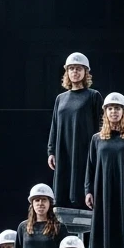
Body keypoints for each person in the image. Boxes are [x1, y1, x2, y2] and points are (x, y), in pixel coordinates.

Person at [85, 92, 124, 248]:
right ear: (105, 112)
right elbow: (90, 167)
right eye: (110, 108)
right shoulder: (97, 139)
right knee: (104, 220)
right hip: (103, 189)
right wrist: (88, 191)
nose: (113, 112)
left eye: (117, 108)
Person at [47, 52, 103, 208]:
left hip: (83, 149)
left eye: (78, 68)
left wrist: (100, 149)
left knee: (81, 184)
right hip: (63, 149)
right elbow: (55, 125)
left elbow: (101, 125)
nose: (75, 72)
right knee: (63, 186)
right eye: (71, 69)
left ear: (85, 72)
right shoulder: (61, 98)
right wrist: (51, 151)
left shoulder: (93, 96)